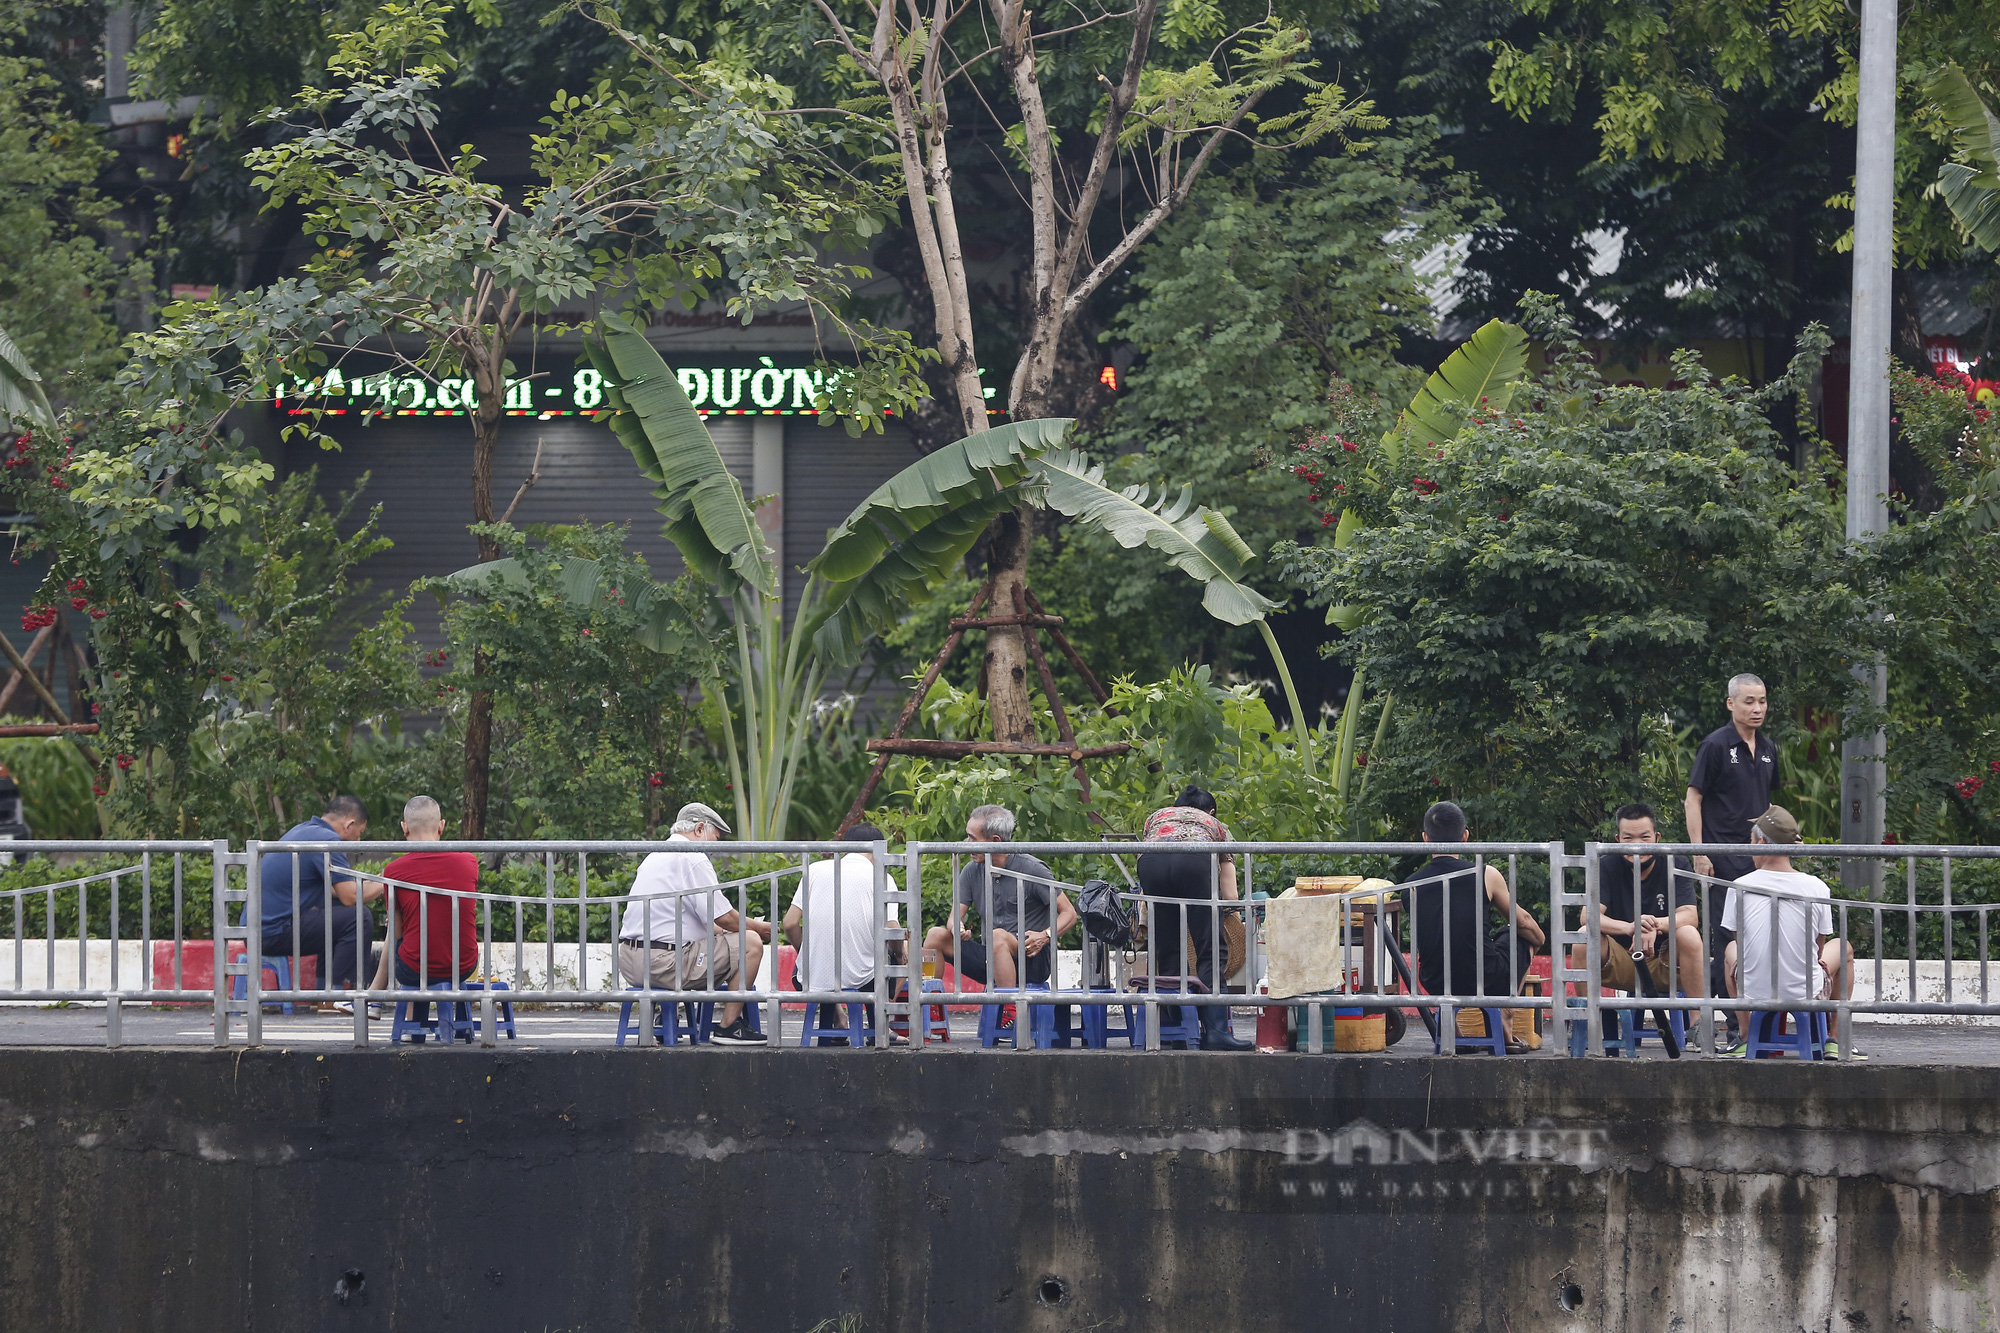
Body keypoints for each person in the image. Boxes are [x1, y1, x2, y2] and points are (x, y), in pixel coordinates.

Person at [616, 802, 772, 1046]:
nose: (714, 849)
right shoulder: (693, 857)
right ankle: (729, 1027)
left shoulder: (654, 855)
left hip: (630, 961)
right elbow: (724, 917)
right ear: (700, 829)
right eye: (715, 838)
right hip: (664, 965)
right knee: (750, 943)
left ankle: (664, 1017)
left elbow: (706, 921)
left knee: (701, 942)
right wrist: (759, 929)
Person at [1401, 801, 1546, 1047]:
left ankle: (1453, 1031)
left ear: (1425, 838)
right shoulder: (1485, 873)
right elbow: (1523, 921)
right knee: (1521, 934)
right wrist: (1539, 940)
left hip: (1434, 978)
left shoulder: (1410, 884)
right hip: (1484, 977)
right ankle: (1505, 1012)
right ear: (1465, 836)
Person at [1721, 805, 1859, 1059]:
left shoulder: (1739, 886)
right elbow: (1819, 947)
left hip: (1754, 990)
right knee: (1844, 948)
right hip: (1805, 991)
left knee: (1731, 951)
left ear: (1761, 841)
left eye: (1751, 842)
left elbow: (1739, 941)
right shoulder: (1816, 887)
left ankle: (1745, 1034)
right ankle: (1836, 1039)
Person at [922, 805, 1078, 1021]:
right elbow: (953, 917)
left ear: (995, 841)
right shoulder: (971, 871)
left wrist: (1045, 936)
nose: (966, 844)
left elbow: (1069, 913)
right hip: (991, 958)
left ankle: (1011, 1014)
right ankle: (929, 1012)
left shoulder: (1032, 869)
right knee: (935, 935)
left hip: (1031, 958)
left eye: (972, 839)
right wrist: (956, 928)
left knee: (998, 936)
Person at [1685, 672, 1780, 1013]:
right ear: (1731, 703)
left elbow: (1767, 803)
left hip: (1760, 855)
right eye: (1749, 701)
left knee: (1761, 932)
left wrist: (1780, 842)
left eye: (1763, 701)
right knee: (1726, 934)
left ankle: (1752, 1006)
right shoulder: (1715, 745)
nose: (1757, 709)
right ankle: (1726, 1012)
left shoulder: (1769, 747)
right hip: (1722, 854)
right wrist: (1699, 852)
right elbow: (1692, 799)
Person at [1574, 802, 1708, 1040]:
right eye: (1628, 838)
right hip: (1623, 959)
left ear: (1657, 837)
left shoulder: (1675, 862)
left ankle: (1699, 1027)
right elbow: (1588, 915)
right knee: (1584, 936)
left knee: (1688, 933)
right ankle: (1586, 1023)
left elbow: (1690, 915)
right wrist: (1631, 927)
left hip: (1668, 963)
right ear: (1617, 839)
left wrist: (1653, 925)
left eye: (1645, 837)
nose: (1637, 845)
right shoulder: (1606, 864)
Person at [1134, 786, 1251, 1051]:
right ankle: (1216, 1031)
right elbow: (1230, 895)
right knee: (1210, 950)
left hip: (1152, 863)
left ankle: (1174, 1027)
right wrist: (1222, 914)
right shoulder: (1214, 824)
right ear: (1210, 811)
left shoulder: (1155, 817)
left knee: (1168, 948)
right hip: (1195, 862)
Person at [257, 795, 383, 1007]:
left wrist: (376, 884)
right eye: (359, 834)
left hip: (259, 929)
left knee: (337, 915)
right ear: (349, 824)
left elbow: (339, 893)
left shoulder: (304, 831)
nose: (357, 841)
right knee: (359, 918)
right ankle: (334, 997)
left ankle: (324, 993)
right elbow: (350, 896)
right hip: (274, 931)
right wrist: (389, 881)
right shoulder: (327, 840)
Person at [784, 823, 904, 1044]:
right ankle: (880, 1027)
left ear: (846, 847)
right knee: (899, 960)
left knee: (826, 970)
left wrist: (807, 955)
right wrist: (899, 954)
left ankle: (839, 1021)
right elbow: (893, 930)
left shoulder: (815, 870)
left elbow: (790, 924)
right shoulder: (882, 876)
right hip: (865, 978)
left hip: (811, 978)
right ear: (879, 850)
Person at [364, 796, 480, 994]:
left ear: (404, 827)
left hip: (414, 969)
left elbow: (397, 931)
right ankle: (380, 999)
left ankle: (378, 997)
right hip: (463, 966)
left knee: (396, 931)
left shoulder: (395, 870)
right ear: (441, 826)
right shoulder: (469, 862)